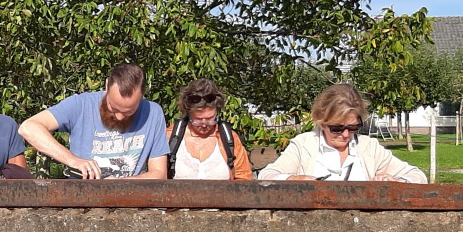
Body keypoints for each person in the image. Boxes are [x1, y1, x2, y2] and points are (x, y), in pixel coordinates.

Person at [18, 63, 169, 179]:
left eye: (129, 111)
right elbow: (28, 128)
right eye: (113, 108)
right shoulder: (80, 105)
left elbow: (159, 174)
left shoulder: (153, 112)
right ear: (106, 86)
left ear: (142, 95)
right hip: (83, 203)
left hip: (132, 203)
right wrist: (73, 160)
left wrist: (119, 186)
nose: (119, 117)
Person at [258, 83, 427, 183]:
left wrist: (396, 182)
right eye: (337, 128)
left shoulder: (368, 147)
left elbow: (418, 176)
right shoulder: (303, 145)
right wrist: (292, 180)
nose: (346, 134)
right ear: (321, 121)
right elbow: (266, 176)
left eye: (353, 128)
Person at [166, 79, 252, 180]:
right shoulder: (171, 137)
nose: (204, 124)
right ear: (188, 113)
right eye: (198, 119)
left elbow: (244, 179)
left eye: (210, 118)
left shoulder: (229, 138)